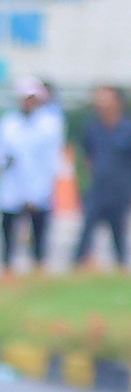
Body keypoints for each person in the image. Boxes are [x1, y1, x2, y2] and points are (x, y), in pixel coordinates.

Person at [0, 75, 66, 273]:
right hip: (12, 187)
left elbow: (53, 160)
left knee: (39, 237)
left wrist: (40, 190)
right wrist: (6, 160)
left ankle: (38, 270)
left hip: (38, 188)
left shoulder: (50, 125)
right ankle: (7, 269)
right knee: (8, 235)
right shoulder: (7, 124)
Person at [76, 83, 131, 269]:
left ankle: (121, 266)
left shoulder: (126, 129)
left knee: (119, 232)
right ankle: (79, 264)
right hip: (98, 189)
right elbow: (88, 157)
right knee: (87, 228)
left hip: (120, 190)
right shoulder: (93, 129)